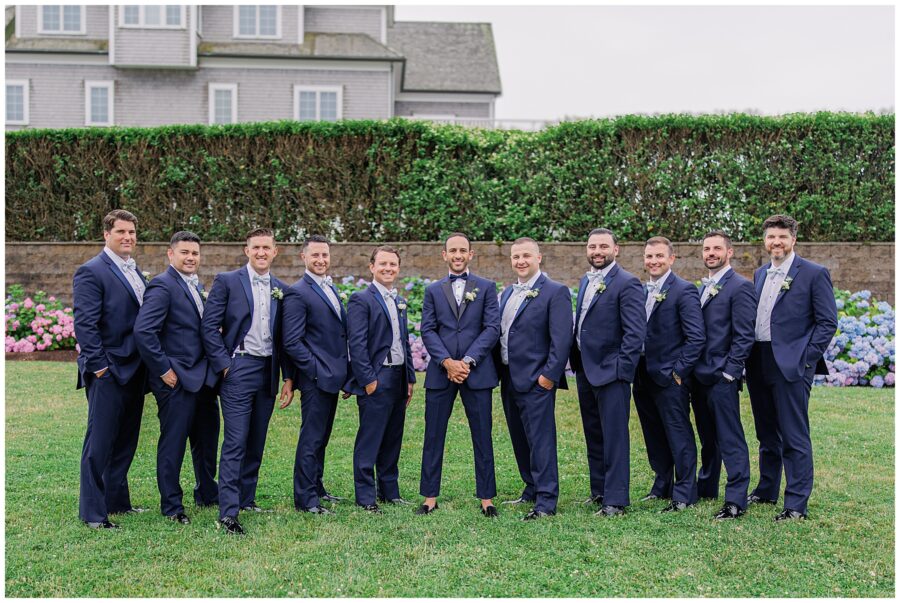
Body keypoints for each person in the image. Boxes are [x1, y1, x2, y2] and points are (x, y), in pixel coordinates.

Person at [200, 228, 294, 535]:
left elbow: (287, 339)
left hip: (268, 370)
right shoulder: (228, 281)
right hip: (238, 368)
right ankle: (228, 512)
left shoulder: (282, 288)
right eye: (256, 247)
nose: (262, 252)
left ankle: (247, 498)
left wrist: (288, 377)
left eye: (267, 247)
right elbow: (209, 326)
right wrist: (225, 365)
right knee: (236, 441)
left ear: (275, 251)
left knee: (256, 439)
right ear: (247, 250)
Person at [746, 214, 837, 521]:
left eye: (783, 237)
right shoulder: (759, 273)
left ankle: (796, 503)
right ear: (765, 240)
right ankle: (767, 488)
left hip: (791, 363)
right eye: (771, 237)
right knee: (766, 431)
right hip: (758, 359)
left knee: (794, 434)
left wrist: (806, 358)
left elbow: (827, 322)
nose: (777, 242)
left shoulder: (813, 273)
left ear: (793, 240)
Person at [134, 230, 220, 525]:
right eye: (184, 252)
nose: (191, 257)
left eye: (195, 253)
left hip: (204, 380)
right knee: (173, 444)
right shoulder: (162, 285)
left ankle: (207, 492)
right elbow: (144, 332)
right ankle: (172, 505)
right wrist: (163, 370)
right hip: (176, 380)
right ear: (170, 254)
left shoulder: (197, 287)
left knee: (207, 441)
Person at [74, 209, 149, 529]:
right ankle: (93, 512)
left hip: (135, 369)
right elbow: (85, 325)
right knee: (100, 443)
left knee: (126, 440)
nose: (128, 237)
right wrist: (101, 368)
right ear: (107, 235)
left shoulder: (136, 271)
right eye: (121, 232)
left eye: (132, 232)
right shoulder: (91, 271)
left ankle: (117, 502)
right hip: (108, 370)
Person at [417, 233, 501, 517]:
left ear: (471, 254)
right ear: (444, 255)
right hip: (441, 374)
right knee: (433, 435)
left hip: (476, 372)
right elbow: (427, 329)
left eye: (462, 250)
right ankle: (429, 496)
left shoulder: (487, 287)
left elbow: (492, 328)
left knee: (482, 435)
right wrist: (446, 362)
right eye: (452, 250)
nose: (457, 255)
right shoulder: (432, 290)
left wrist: (466, 361)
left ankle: (487, 498)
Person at [569, 228, 645, 517]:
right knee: (594, 433)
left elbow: (635, 333)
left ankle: (616, 500)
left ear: (617, 250)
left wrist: (622, 372)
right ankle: (599, 489)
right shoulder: (585, 280)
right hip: (586, 370)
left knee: (614, 436)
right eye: (592, 246)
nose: (597, 251)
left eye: (603, 246)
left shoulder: (627, 283)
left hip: (612, 373)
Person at [496, 237, 573, 520]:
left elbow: (561, 339)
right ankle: (530, 488)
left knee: (541, 441)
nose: (521, 261)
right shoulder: (506, 293)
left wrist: (548, 377)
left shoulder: (555, 291)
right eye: (516, 256)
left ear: (539, 258)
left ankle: (546, 501)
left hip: (537, 380)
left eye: (526, 255)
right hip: (509, 378)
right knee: (520, 438)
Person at [632, 236, 705, 512]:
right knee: (653, 434)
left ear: (671, 259)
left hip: (670, 378)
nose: (653, 261)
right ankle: (661, 484)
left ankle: (685, 492)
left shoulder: (684, 290)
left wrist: (678, 372)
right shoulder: (639, 291)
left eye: (659, 256)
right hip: (642, 376)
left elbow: (696, 337)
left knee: (678, 434)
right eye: (649, 256)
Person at [688, 230, 756, 520]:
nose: (711, 253)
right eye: (706, 249)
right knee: (708, 438)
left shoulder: (739, 286)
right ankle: (706, 486)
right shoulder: (703, 287)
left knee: (730, 438)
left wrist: (730, 373)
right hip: (699, 375)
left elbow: (744, 336)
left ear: (729, 252)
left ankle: (736, 499)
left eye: (717, 248)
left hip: (721, 377)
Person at [345, 246, 416, 514]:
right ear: (371, 267)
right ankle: (365, 497)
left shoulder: (399, 300)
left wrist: (409, 378)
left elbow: (404, 342)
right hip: (377, 377)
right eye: (383, 264)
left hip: (398, 377)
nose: (388, 269)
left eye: (393, 264)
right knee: (371, 437)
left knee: (392, 437)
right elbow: (358, 343)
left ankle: (389, 491)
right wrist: (368, 380)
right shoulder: (361, 299)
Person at [282, 235, 349, 515]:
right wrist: (316, 372)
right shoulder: (299, 292)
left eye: (325, 255)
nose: (321, 260)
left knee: (321, 436)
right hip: (316, 378)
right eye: (315, 256)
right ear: (303, 258)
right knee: (310, 438)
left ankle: (317, 487)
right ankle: (306, 499)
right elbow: (292, 341)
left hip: (332, 376)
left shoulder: (329, 287)